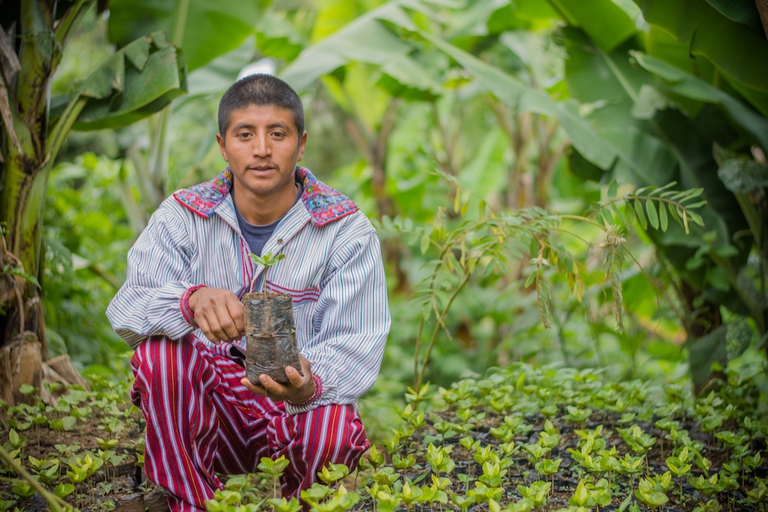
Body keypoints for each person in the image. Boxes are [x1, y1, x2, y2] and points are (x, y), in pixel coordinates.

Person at [107, 74, 390, 512]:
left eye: (278, 134)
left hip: (296, 410)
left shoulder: (345, 231)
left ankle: (306, 501)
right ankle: (193, 501)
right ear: (223, 146)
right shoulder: (182, 216)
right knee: (159, 354)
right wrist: (191, 299)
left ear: (301, 144)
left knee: (332, 425)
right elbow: (127, 307)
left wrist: (306, 385)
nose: (261, 149)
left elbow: (358, 343)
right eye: (245, 134)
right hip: (211, 414)